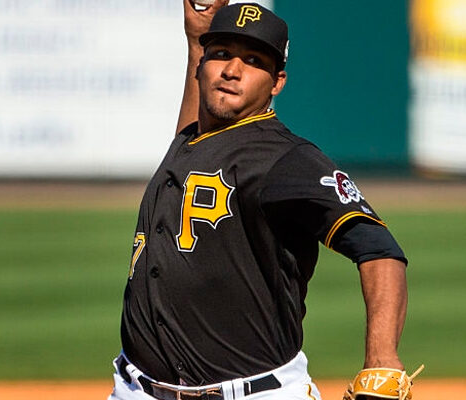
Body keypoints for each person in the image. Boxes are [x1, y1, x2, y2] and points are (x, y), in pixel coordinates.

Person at [108, 1, 410, 399]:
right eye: (220, 54)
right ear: (202, 65)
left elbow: (379, 249)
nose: (232, 70)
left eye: (253, 61)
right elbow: (196, 132)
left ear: (277, 82)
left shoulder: (286, 159)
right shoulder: (191, 142)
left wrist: (381, 358)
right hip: (136, 389)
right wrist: (196, 39)